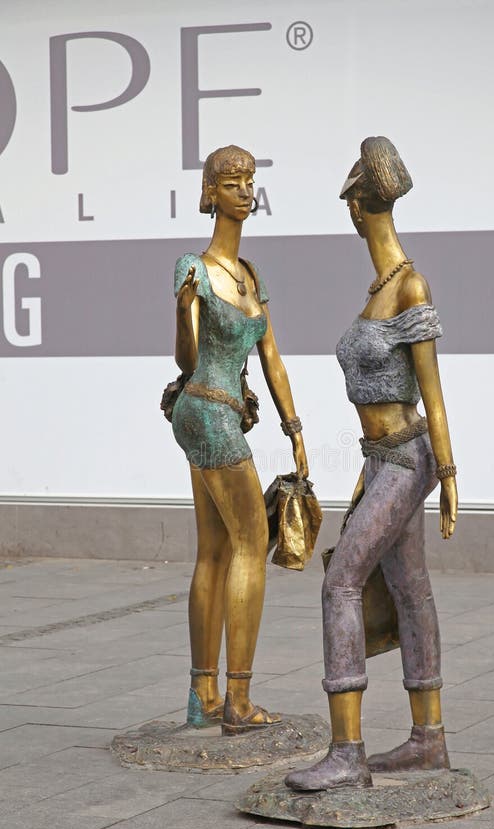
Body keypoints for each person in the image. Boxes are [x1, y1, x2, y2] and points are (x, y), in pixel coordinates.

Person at [286, 136, 458, 790]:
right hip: (380, 459)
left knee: (341, 582)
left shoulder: (409, 283)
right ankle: (428, 740)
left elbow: (433, 397)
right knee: (411, 589)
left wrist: (447, 476)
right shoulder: (380, 287)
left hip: (407, 459)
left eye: (351, 202)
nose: (350, 213)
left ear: (360, 207)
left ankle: (347, 752)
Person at [171, 145, 308, 735]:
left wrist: (294, 427)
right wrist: (184, 311)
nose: (245, 191)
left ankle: (204, 695)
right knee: (253, 539)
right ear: (210, 193)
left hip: (215, 414)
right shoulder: (193, 269)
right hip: (208, 409)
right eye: (232, 182)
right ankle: (239, 702)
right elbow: (188, 358)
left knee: (214, 550)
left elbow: (271, 356)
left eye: (250, 180)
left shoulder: (252, 276)